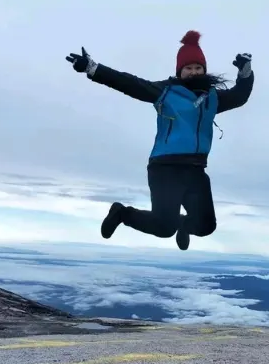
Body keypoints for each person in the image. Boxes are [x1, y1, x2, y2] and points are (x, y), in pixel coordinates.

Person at [66, 31, 254, 250]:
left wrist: (246, 73)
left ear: (204, 69)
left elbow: (239, 96)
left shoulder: (212, 98)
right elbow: (130, 84)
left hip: (196, 170)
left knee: (205, 226)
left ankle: (183, 225)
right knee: (164, 228)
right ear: (180, 71)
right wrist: (93, 68)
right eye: (188, 68)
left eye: (198, 68)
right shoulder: (166, 91)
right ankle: (122, 213)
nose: (193, 73)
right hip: (166, 168)